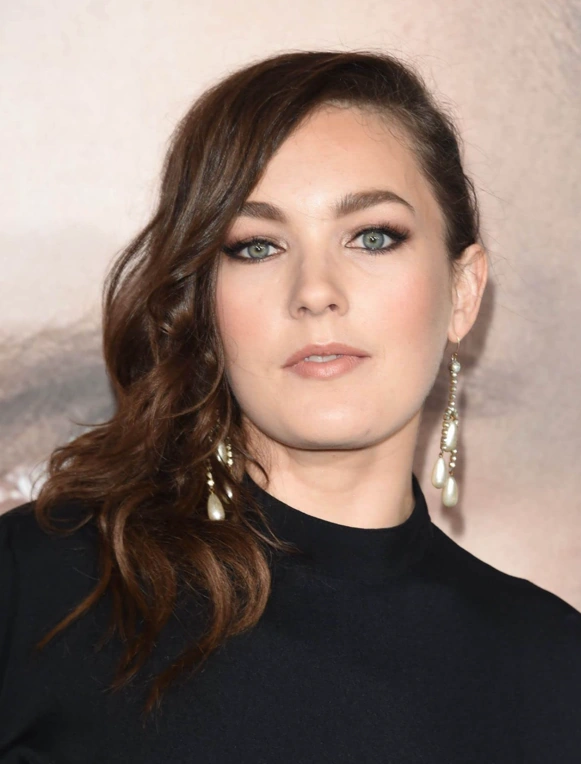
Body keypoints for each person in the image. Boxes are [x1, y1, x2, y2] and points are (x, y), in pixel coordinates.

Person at [0, 50, 580, 763]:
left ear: (462, 292)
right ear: (203, 305)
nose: (314, 291)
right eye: (257, 246)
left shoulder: (553, 667)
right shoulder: (43, 588)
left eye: (372, 237)